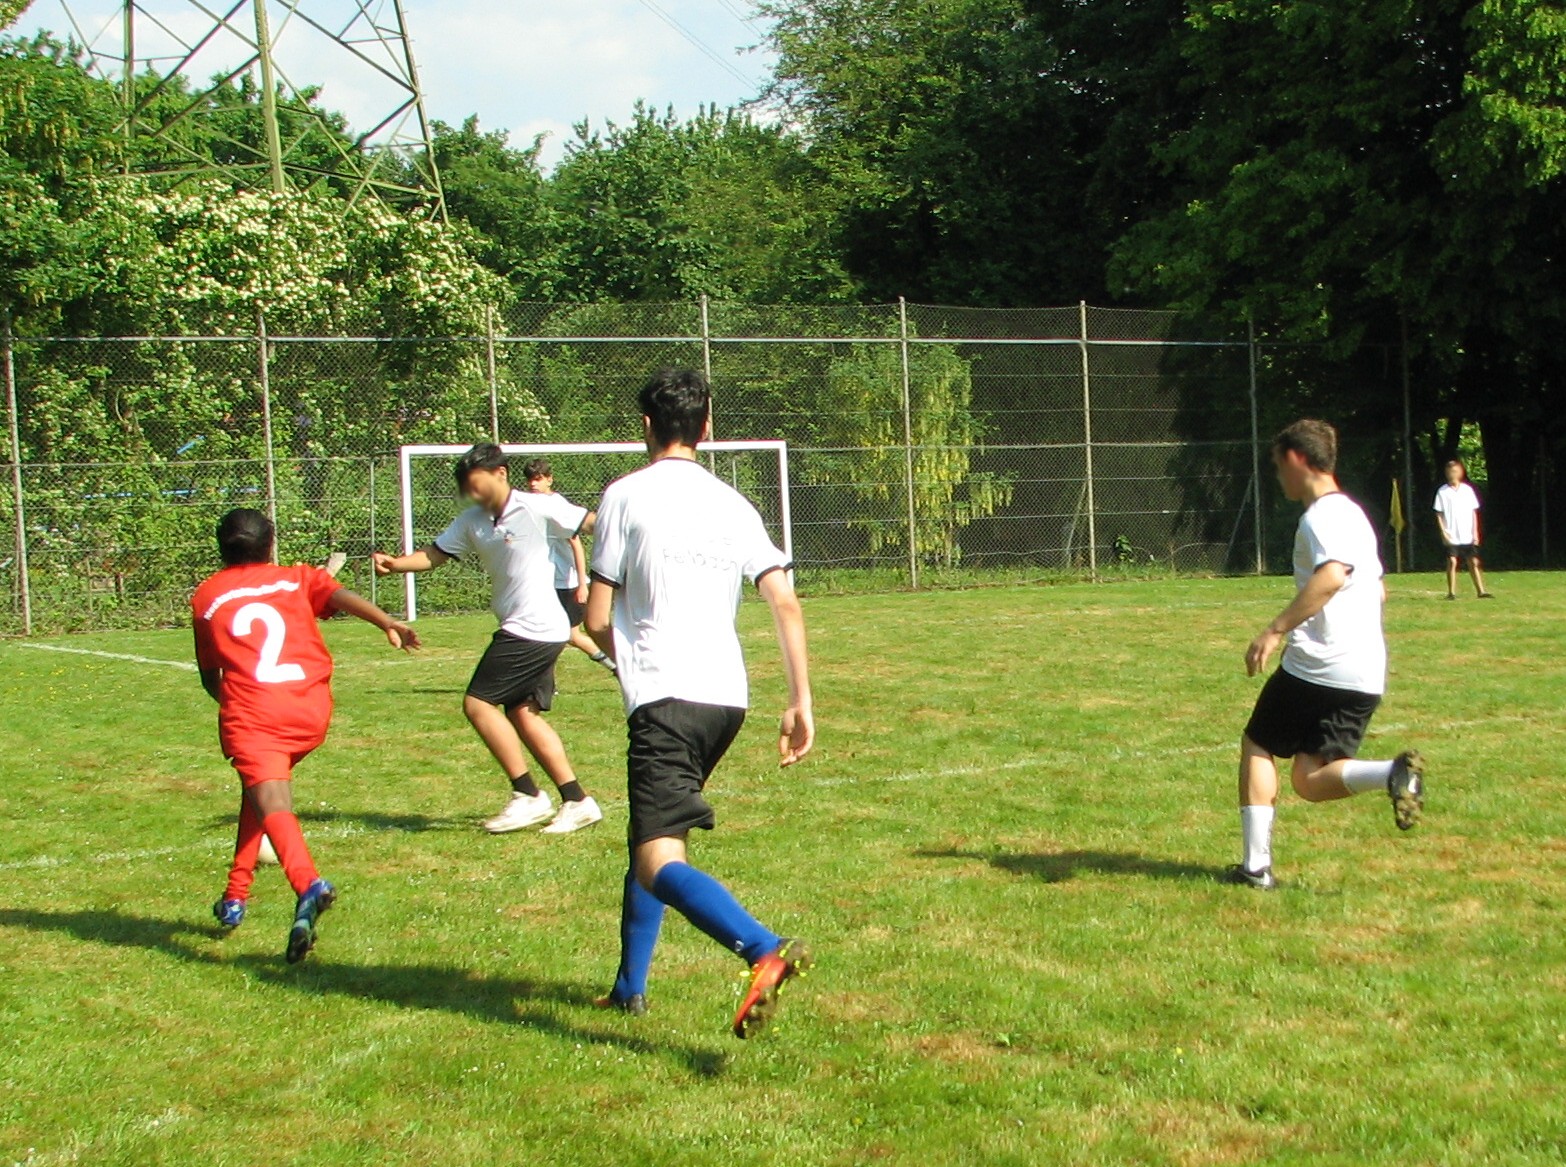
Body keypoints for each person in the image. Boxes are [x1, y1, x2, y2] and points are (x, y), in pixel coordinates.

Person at [585, 368, 815, 1039]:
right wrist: (800, 700)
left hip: (666, 694)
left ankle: (762, 948)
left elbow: (598, 614)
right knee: (652, 835)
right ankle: (629, 987)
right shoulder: (734, 504)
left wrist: (621, 652)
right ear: (707, 427)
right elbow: (785, 600)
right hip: (727, 701)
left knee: (660, 858)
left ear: (647, 428)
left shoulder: (624, 496)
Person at [194, 508, 419, 962]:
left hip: (255, 710)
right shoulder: (296, 577)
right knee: (257, 791)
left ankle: (307, 883)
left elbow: (209, 674)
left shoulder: (208, 595)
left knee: (272, 800)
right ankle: (235, 895)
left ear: (221, 548)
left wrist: (241, 709)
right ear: (270, 544)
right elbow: (340, 595)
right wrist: (388, 622)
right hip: (309, 709)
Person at [1227, 419, 1426, 890]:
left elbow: (1333, 575)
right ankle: (1391, 774)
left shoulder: (1321, 517)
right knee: (1309, 780)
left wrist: (1275, 630)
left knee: (1258, 744)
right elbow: (1378, 591)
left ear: (1298, 460)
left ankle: (1255, 868)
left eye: (1279, 467)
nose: (1279, 478)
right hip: (1365, 672)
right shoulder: (1356, 514)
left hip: (1318, 664)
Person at [372, 444, 603, 836]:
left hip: (533, 628)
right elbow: (435, 555)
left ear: (500, 474)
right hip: (528, 626)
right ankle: (578, 801)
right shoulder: (472, 520)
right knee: (522, 714)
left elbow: (592, 523)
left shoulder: (537, 506)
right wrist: (396, 564)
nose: (474, 493)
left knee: (477, 703)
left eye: (478, 483)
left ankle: (528, 795)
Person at [521, 458, 617, 674]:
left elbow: (576, 544)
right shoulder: (532, 506)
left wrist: (582, 583)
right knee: (545, 632)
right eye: (530, 480)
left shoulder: (556, 506)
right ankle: (542, 683)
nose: (533, 485)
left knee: (570, 635)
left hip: (568, 582)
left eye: (538, 479)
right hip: (548, 581)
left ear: (549, 480)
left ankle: (616, 665)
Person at [1433, 459, 1493, 600]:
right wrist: (1443, 532)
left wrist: (1475, 531)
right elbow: (1439, 513)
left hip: (1467, 533)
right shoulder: (1443, 492)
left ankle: (1481, 591)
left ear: (1460, 472)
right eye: (1449, 472)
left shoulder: (1467, 490)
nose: (1452, 474)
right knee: (1452, 561)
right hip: (1451, 533)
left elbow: (1473, 512)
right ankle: (1451, 592)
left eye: (1455, 471)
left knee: (1473, 561)